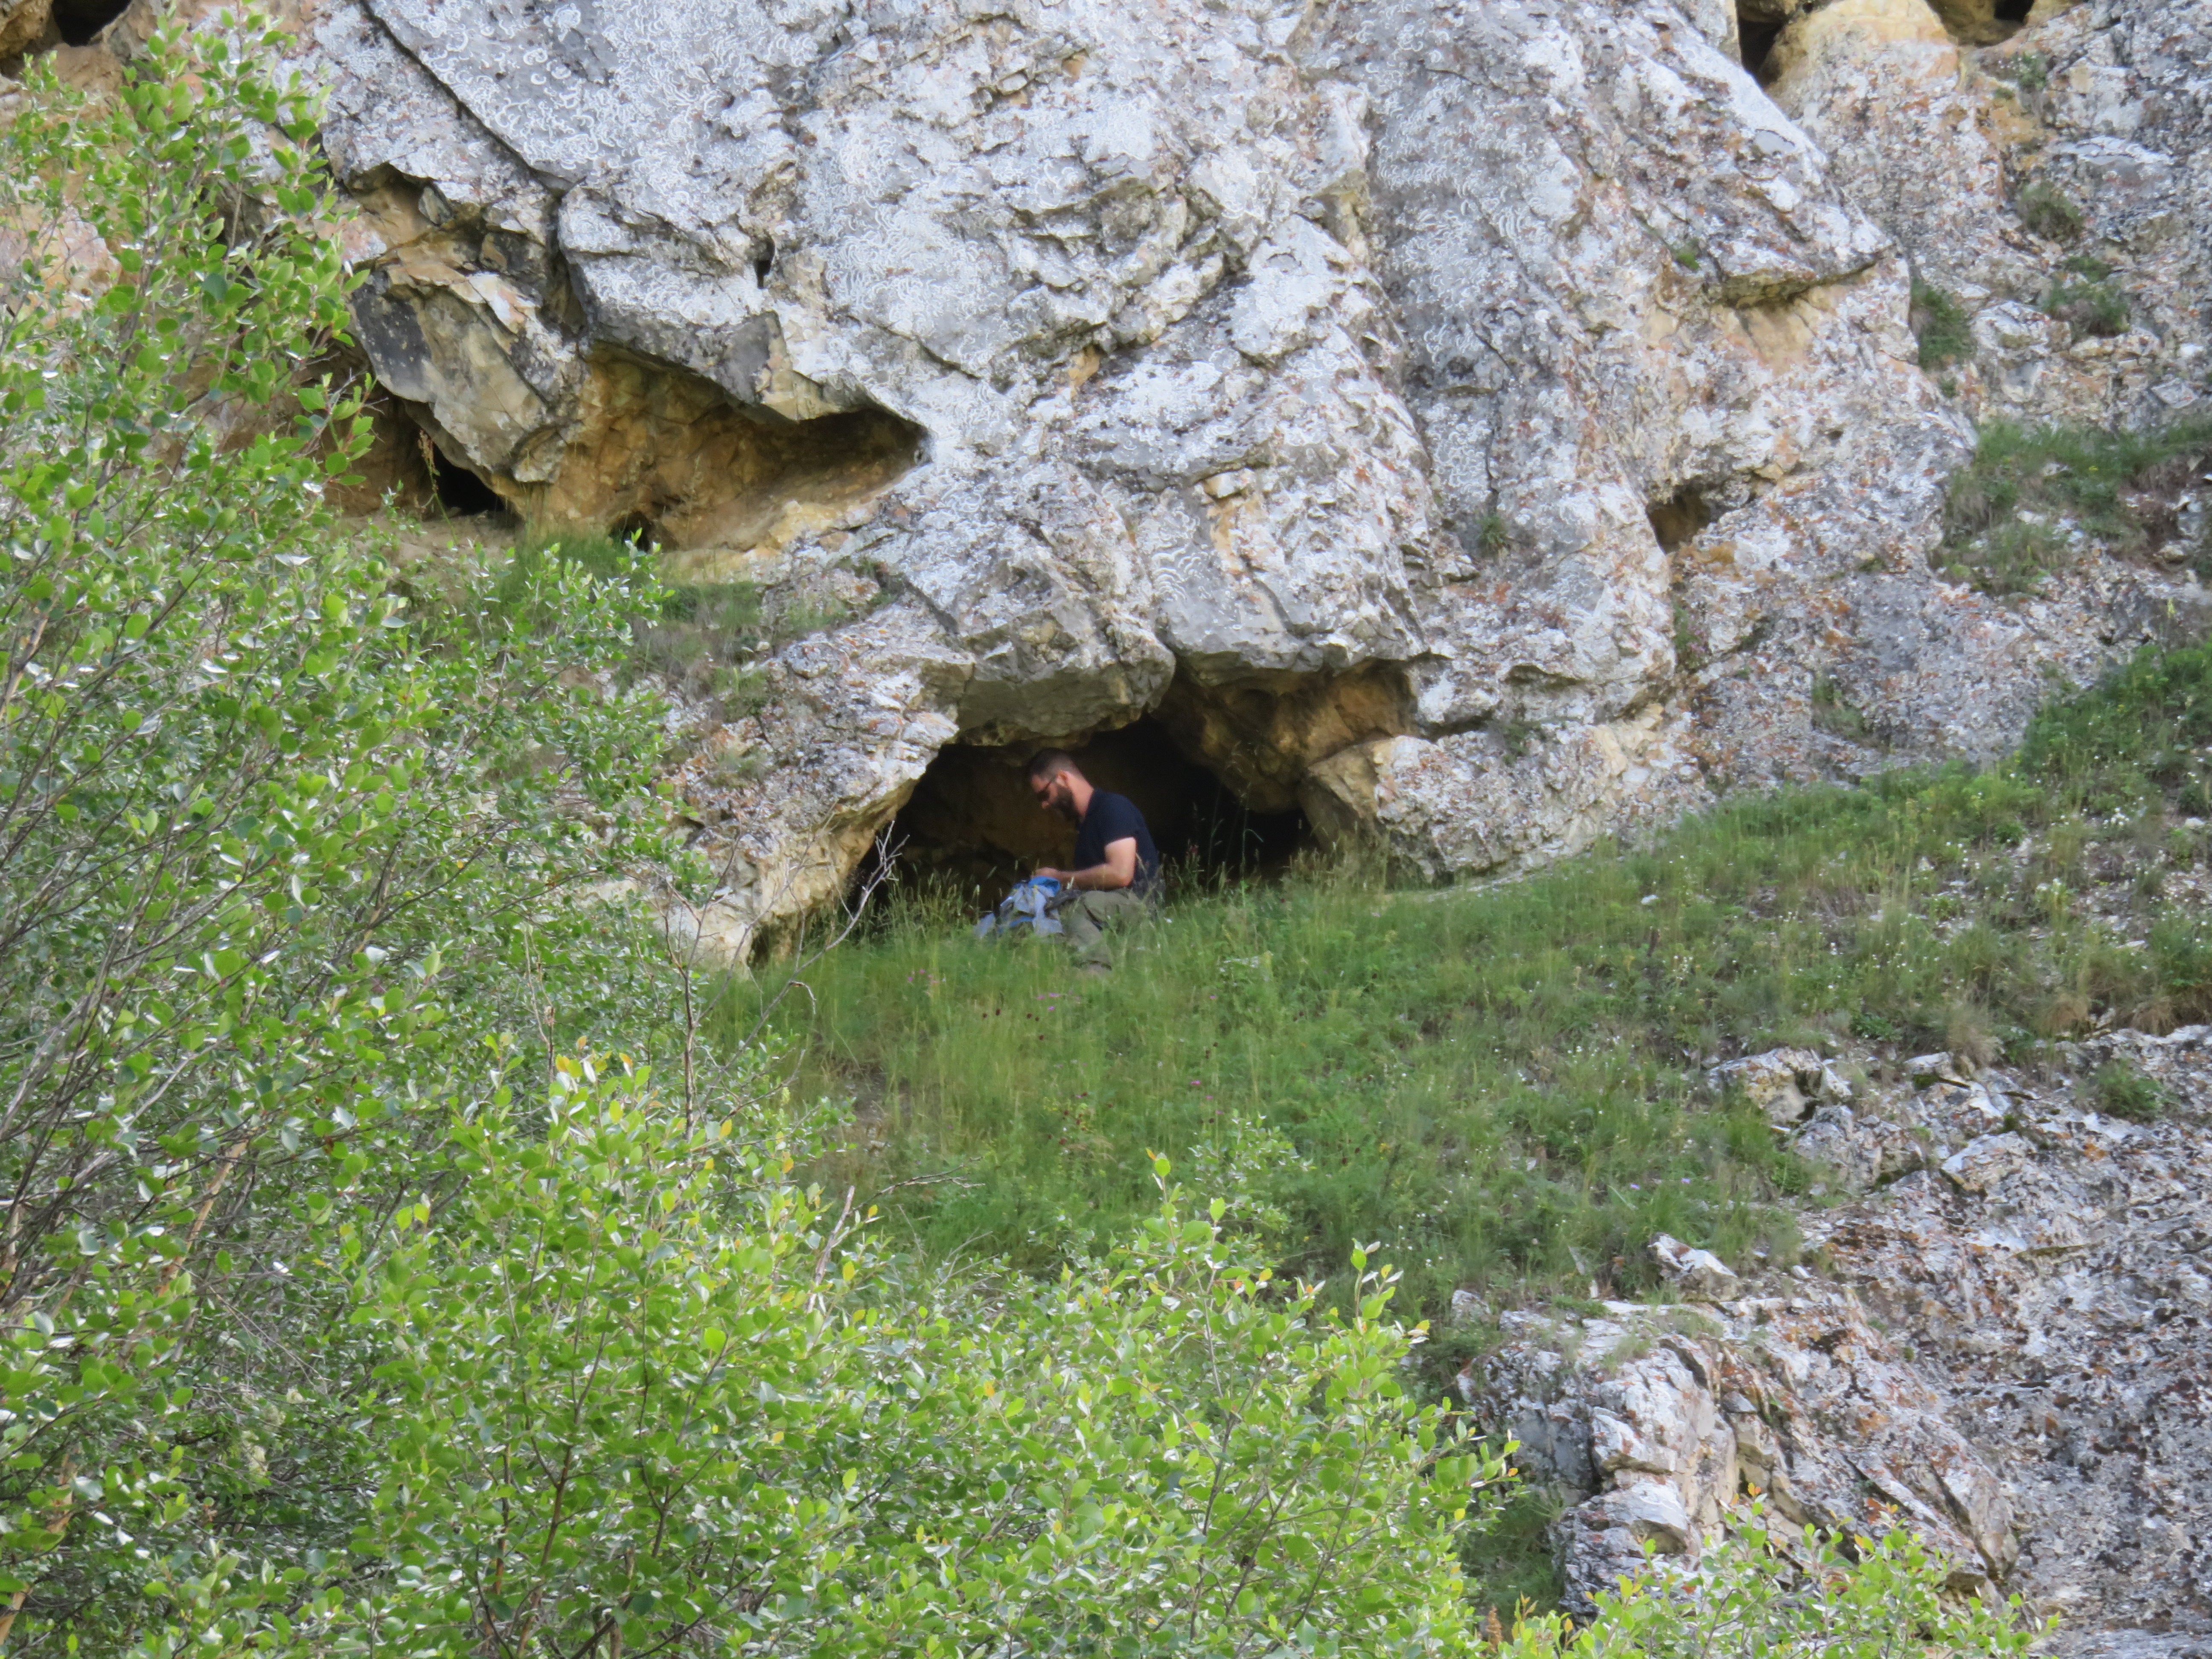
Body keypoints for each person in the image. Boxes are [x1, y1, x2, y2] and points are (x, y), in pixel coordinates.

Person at [1026, 749, 1160, 972]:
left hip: (1139, 903)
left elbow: (1121, 873)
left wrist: (1061, 878)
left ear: (1063, 778)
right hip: (1108, 905)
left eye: (1044, 795)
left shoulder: (1113, 808)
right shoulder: (1085, 827)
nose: (1044, 805)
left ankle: (1094, 976)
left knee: (1078, 908)